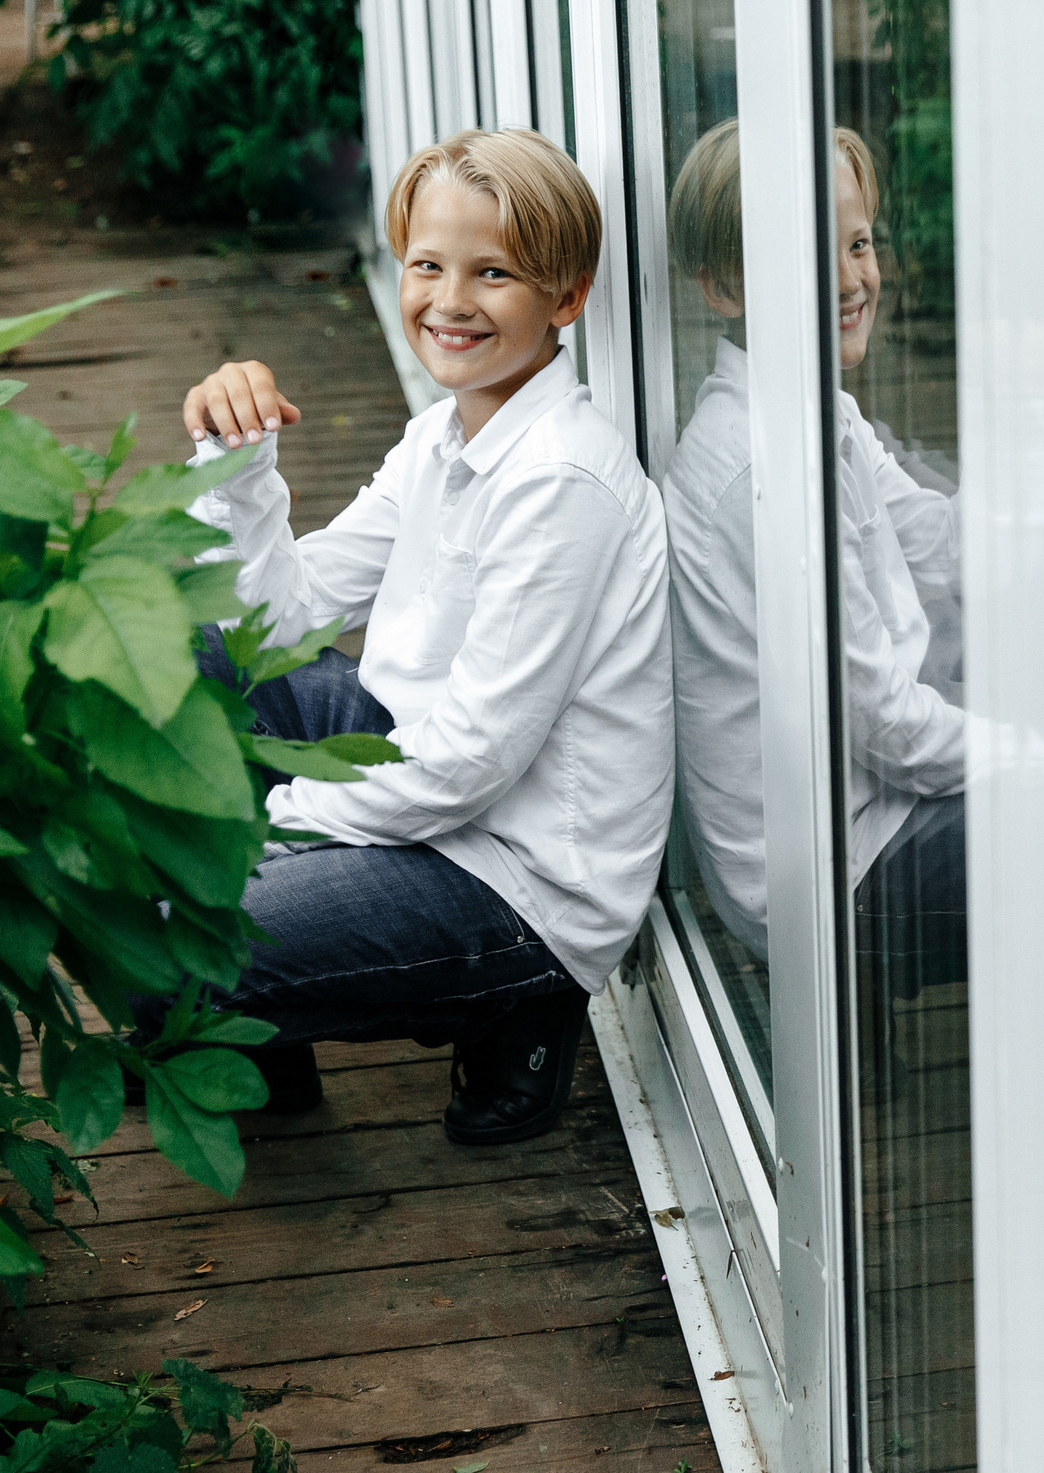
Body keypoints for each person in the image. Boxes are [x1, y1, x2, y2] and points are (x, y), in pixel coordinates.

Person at [146, 128, 674, 1146]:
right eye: (427, 265)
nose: (448, 300)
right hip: (419, 760)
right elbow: (275, 623)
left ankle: (515, 997)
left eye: (494, 274)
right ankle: (261, 1046)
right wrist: (240, 464)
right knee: (172, 667)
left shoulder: (562, 481)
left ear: (566, 297)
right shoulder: (446, 433)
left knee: (181, 935)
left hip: (518, 875)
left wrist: (273, 829)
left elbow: (470, 763)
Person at [661, 120, 968, 1011]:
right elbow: (892, 732)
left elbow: (936, 543)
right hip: (835, 874)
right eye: (807, 252)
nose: (849, 279)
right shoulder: (767, 472)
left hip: (868, 788)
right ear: (724, 286)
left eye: (859, 243)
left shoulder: (814, 408)